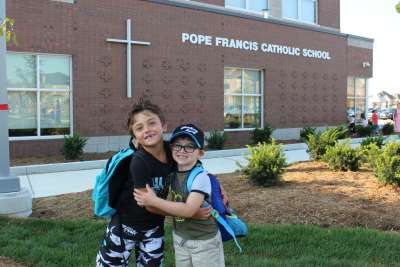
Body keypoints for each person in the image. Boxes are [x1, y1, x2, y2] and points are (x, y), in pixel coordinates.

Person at [96, 101, 209, 267]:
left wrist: (218, 187)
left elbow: (196, 167)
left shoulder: (172, 152)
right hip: (125, 226)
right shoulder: (139, 162)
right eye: (139, 128)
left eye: (152, 123)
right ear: (135, 136)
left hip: (154, 227)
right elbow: (148, 204)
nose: (147, 130)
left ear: (163, 126)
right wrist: (190, 213)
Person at [134, 124, 225, 267]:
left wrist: (153, 200)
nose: (182, 151)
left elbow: (189, 210)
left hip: (204, 242)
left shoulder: (200, 178)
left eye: (189, 146)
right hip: (180, 239)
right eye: (177, 146)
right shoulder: (173, 170)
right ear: (171, 149)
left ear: (200, 153)